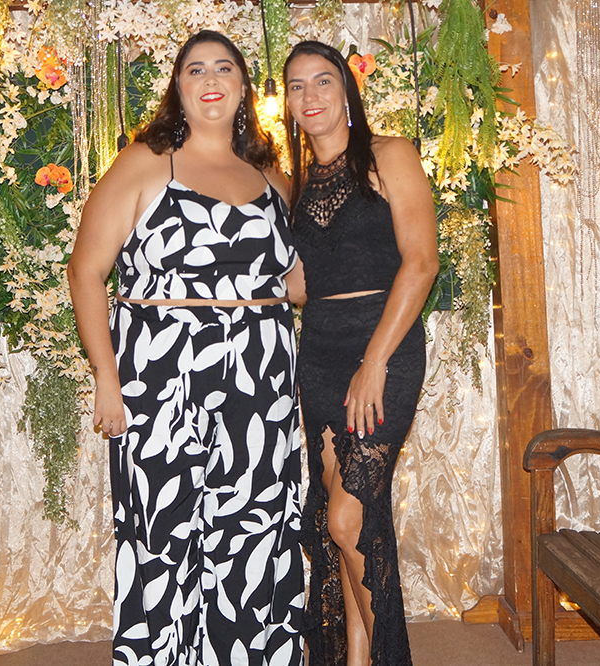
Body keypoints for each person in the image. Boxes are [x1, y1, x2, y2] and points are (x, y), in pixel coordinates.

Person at [67, 30, 306, 666]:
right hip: (161, 376)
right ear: (178, 87)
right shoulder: (146, 162)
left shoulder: (274, 181)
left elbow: (300, 284)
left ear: (244, 87)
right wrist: (106, 376)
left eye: (223, 67)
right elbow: (85, 271)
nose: (210, 79)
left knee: (255, 528)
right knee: (161, 532)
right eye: (195, 69)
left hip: (259, 380)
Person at [283, 41, 438, 666]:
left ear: (346, 90)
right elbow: (300, 285)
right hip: (320, 349)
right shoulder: (297, 184)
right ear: (287, 103)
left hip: (384, 346)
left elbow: (421, 262)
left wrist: (374, 361)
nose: (310, 95)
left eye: (323, 80)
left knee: (348, 520)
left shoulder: (389, 155)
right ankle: (353, 656)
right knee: (341, 517)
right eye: (297, 86)